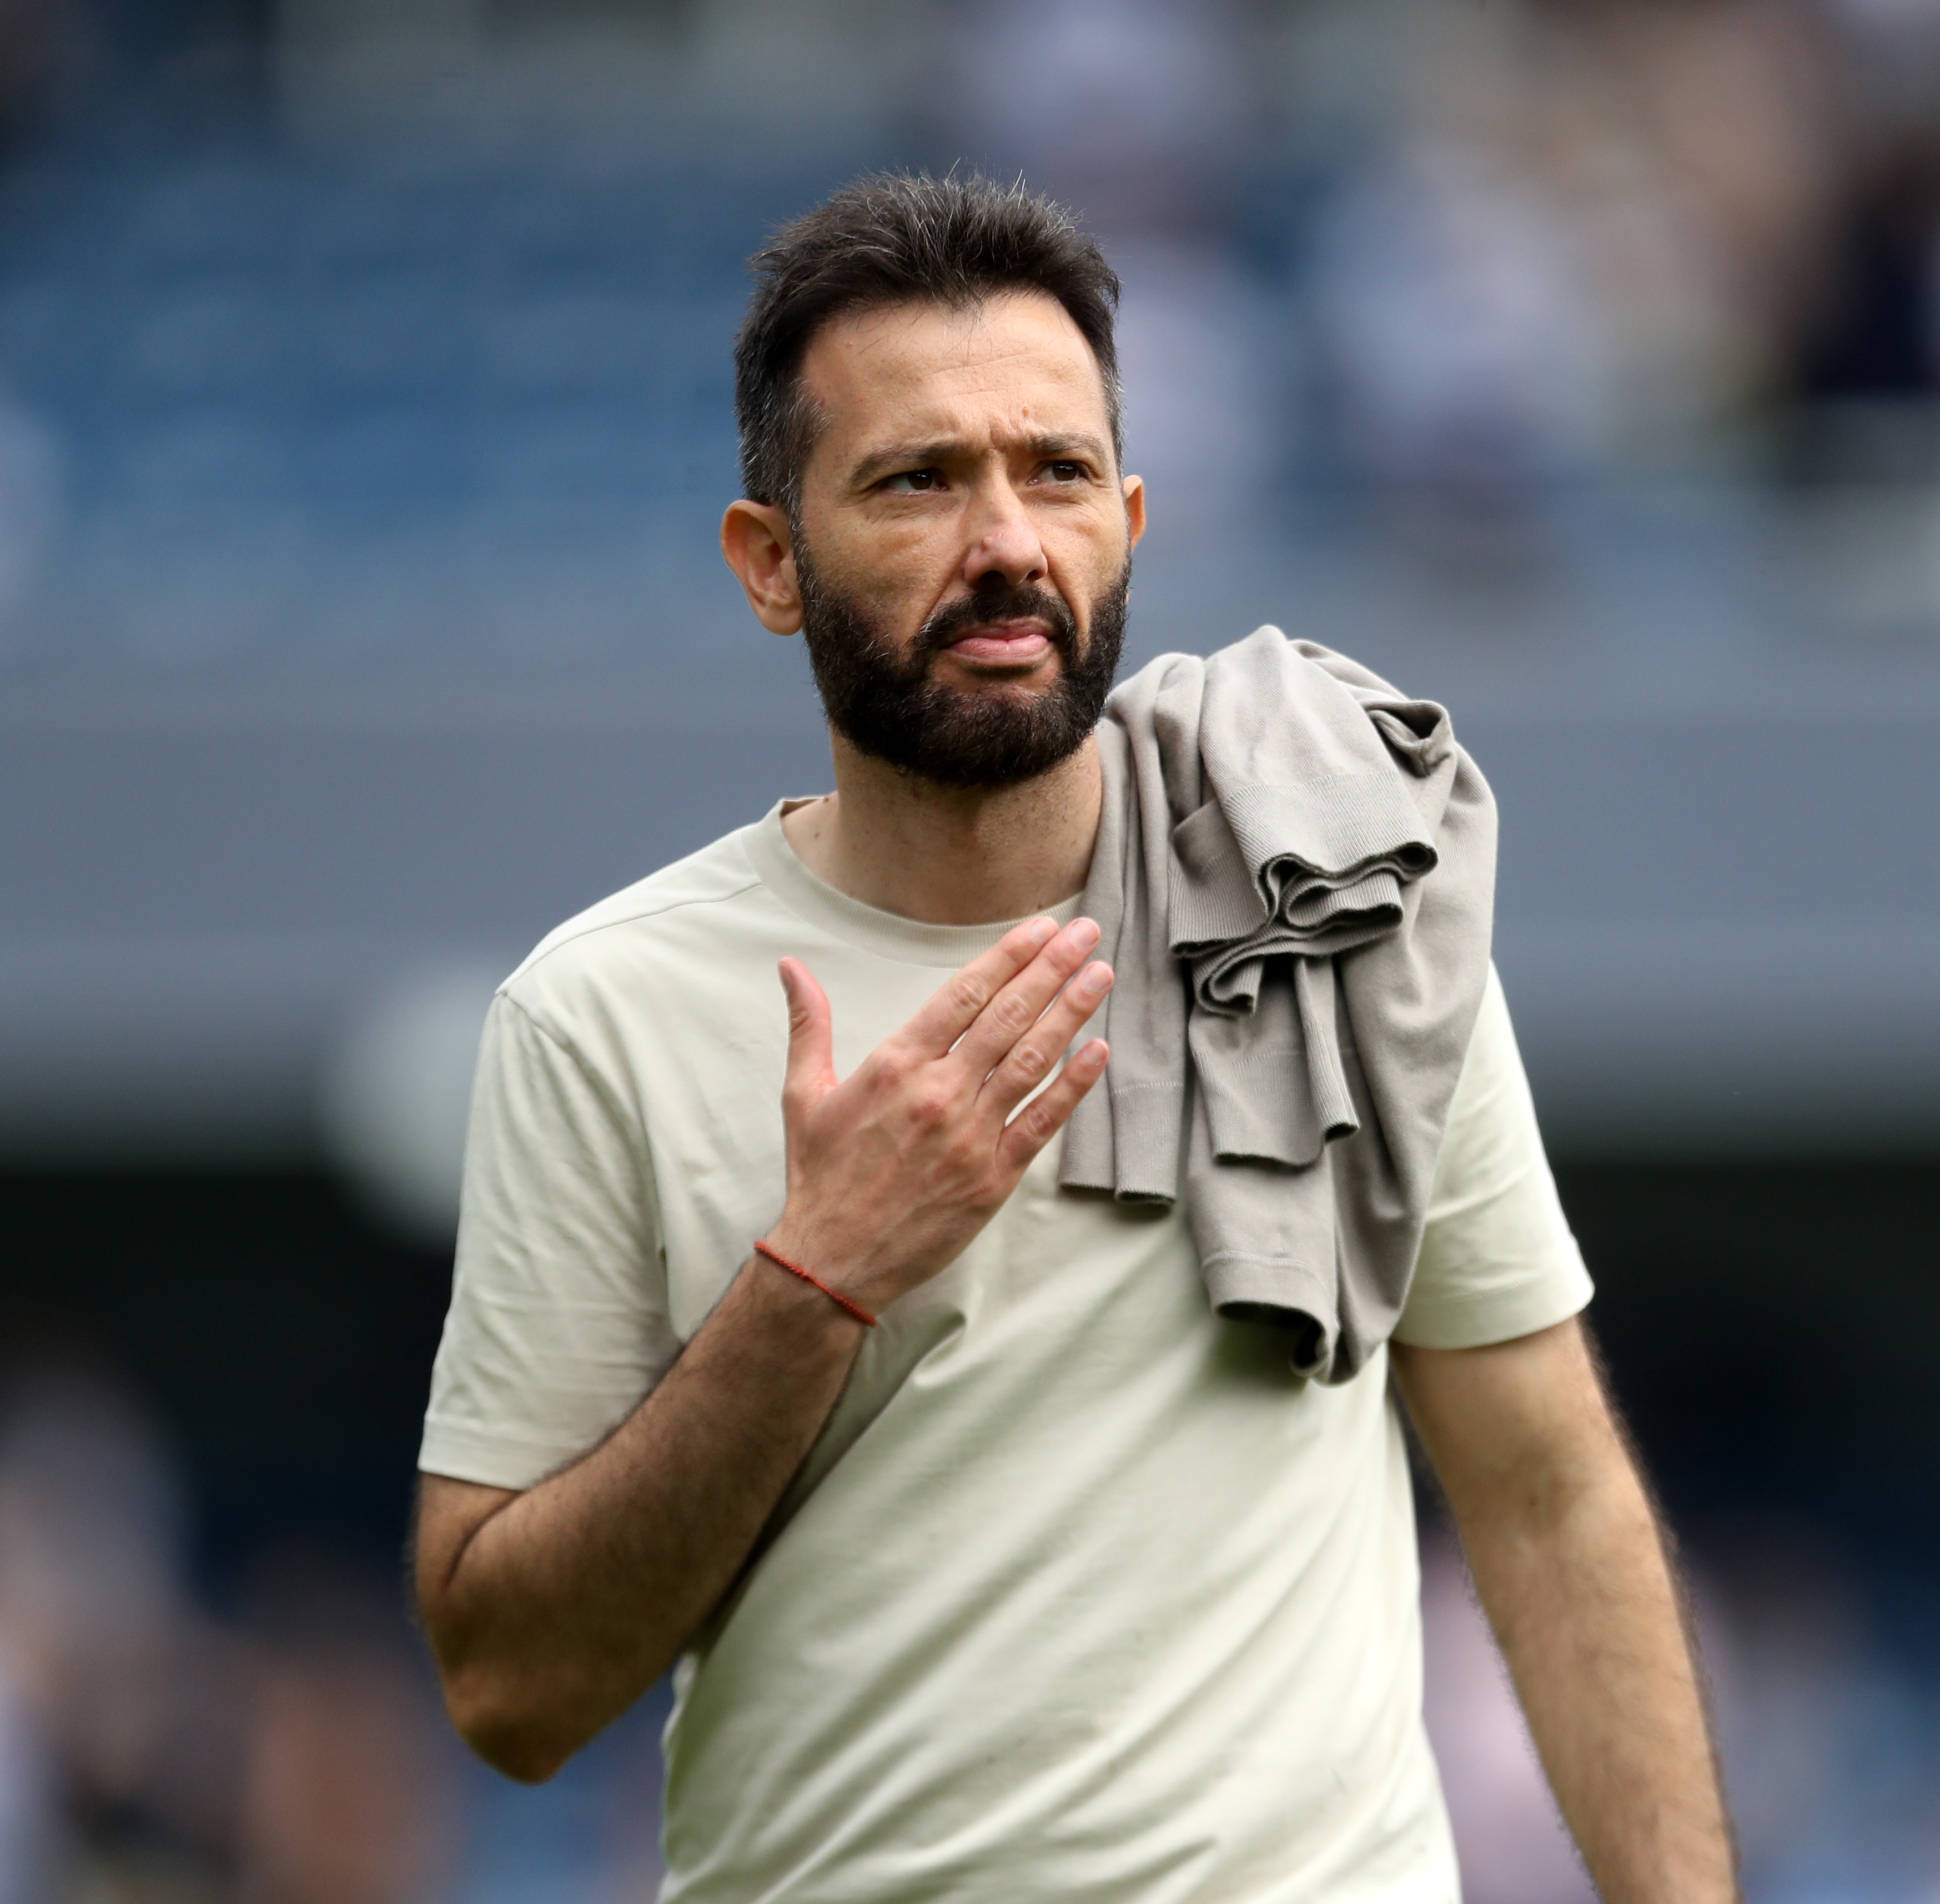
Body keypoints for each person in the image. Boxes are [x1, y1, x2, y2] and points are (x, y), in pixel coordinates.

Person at [410, 172, 1734, 1903]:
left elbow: (1555, 1500)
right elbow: (510, 1691)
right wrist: (814, 1284)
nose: (1006, 543)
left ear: (1126, 517)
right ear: (767, 564)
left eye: (1050, 473)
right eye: (916, 481)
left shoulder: (1329, 897)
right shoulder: (604, 1013)